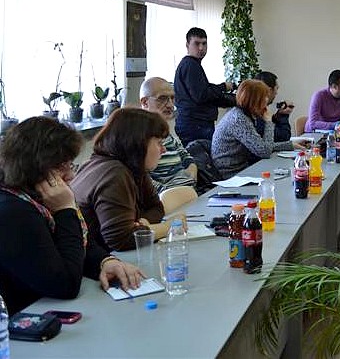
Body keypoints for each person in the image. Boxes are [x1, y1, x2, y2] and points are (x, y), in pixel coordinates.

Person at [0, 117, 142, 315]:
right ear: (32, 166)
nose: (71, 175)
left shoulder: (36, 195)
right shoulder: (13, 211)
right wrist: (65, 210)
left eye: (70, 165)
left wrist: (105, 261)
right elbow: (65, 284)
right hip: (28, 320)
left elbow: (81, 243)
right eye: (60, 167)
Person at [71, 108, 187, 251]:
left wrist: (142, 223)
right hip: (97, 260)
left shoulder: (133, 167)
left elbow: (156, 208)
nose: (163, 150)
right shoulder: (114, 174)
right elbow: (120, 240)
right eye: (159, 143)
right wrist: (170, 226)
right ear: (139, 143)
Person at [212, 80, 307, 179]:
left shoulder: (245, 114)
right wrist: (269, 122)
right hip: (232, 174)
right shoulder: (238, 119)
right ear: (255, 100)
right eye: (264, 97)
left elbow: (262, 145)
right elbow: (264, 151)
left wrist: (290, 145)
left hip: (244, 167)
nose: (267, 100)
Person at [174, 27, 236, 146]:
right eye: (197, 43)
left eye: (204, 43)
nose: (201, 48)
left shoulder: (192, 64)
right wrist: (223, 87)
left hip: (195, 124)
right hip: (195, 125)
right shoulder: (190, 64)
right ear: (187, 45)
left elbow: (205, 92)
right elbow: (202, 95)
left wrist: (234, 99)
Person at [140, 77, 198, 193]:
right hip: (167, 198)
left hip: (188, 192)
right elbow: (142, 177)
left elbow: (185, 156)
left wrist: (192, 169)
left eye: (172, 98)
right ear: (145, 103)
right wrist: (172, 193)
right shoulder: (139, 137)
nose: (170, 105)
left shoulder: (166, 134)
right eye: (162, 99)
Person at [254, 71, 293, 142]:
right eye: (276, 89)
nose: (276, 93)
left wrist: (280, 114)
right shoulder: (257, 113)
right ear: (269, 91)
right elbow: (282, 137)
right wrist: (284, 115)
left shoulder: (257, 109)